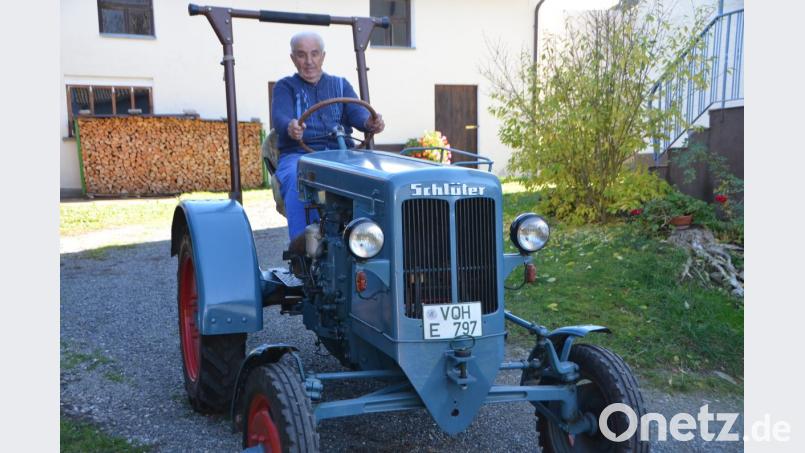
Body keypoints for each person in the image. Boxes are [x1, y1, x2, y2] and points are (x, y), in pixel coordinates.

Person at [272, 31, 385, 241]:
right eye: (301, 55)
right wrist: (290, 126)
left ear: (323, 56)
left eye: (314, 54)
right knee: (298, 181)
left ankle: (371, 243)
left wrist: (369, 122)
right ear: (292, 58)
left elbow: (357, 113)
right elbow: (280, 116)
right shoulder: (285, 87)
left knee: (379, 182)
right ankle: (304, 252)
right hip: (300, 155)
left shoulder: (341, 85)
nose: (309, 62)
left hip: (342, 154)